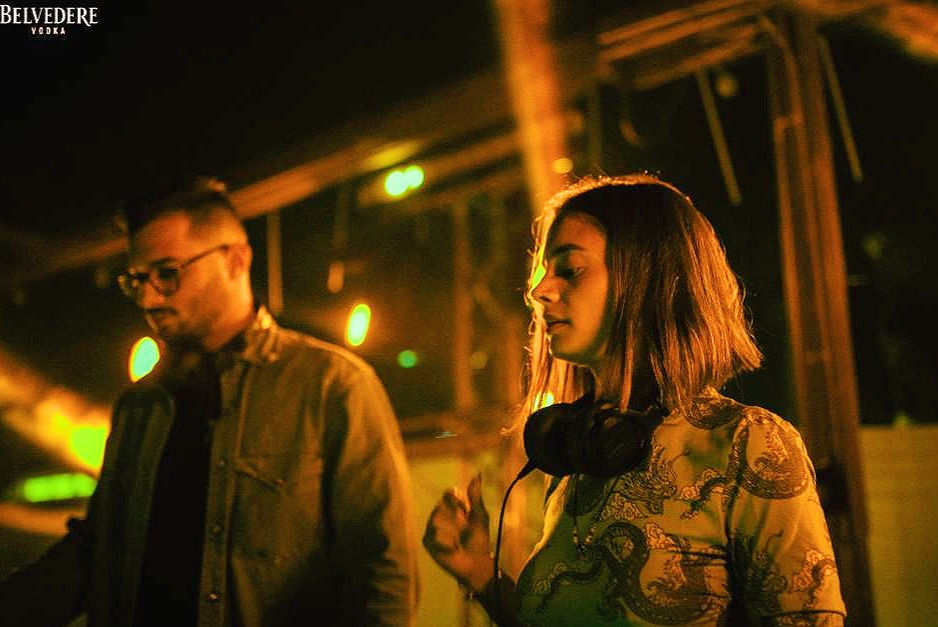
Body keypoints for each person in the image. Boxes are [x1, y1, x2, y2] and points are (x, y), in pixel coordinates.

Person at [423, 174, 847, 625]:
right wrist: (481, 573)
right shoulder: (583, 452)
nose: (539, 290)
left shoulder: (748, 444)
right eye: (544, 271)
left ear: (647, 278)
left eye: (569, 269)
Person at [0, 177, 419, 626]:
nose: (148, 297)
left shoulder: (332, 385)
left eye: (167, 273)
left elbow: (383, 573)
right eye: (136, 280)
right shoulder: (140, 406)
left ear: (236, 260)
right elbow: (98, 552)